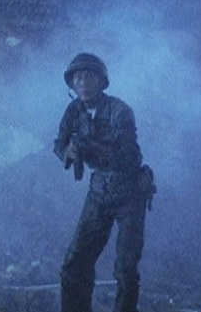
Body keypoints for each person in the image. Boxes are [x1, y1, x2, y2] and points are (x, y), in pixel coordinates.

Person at [53, 53, 154, 312]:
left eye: (89, 77)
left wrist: (90, 147)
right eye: (78, 78)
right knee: (75, 262)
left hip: (129, 191)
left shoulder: (120, 111)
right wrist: (69, 152)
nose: (83, 83)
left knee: (126, 268)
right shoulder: (73, 110)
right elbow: (59, 143)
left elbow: (128, 156)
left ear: (101, 81)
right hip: (99, 191)